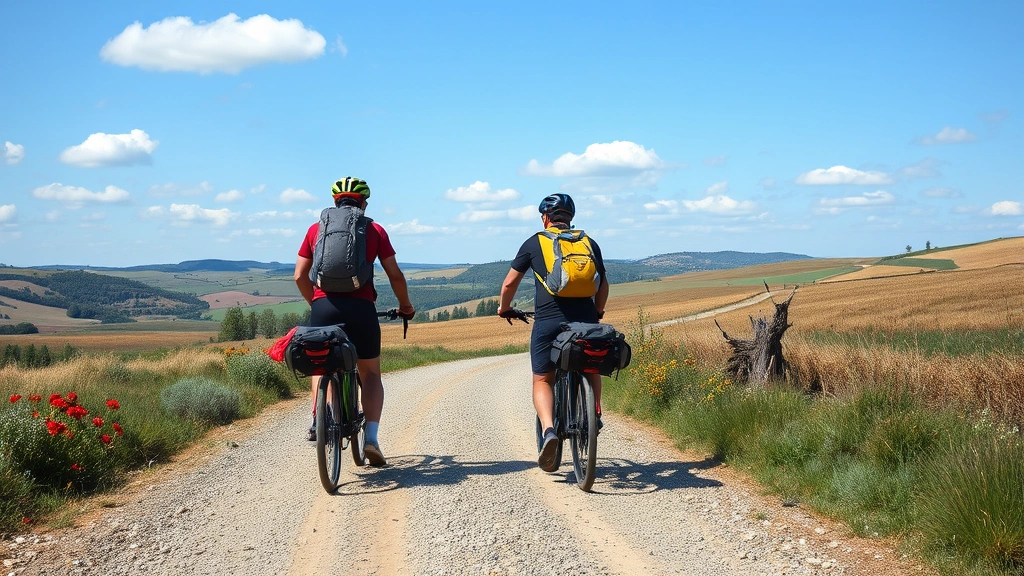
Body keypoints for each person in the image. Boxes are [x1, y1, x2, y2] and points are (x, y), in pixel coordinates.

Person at [294, 177, 414, 466]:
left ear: (335, 203)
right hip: (361, 310)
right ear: (363, 203)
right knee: (370, 374)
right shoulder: (374, 230)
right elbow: (395, 275)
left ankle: (318, 420)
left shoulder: (315, 230)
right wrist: (405, 306)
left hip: (323, 308)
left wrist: (317, 303)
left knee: (321, 366)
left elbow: (299, 276)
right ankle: (371, 439)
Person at [497, 193, 609, 472]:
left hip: (548, 321)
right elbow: (603, 284)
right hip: (586, 321)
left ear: (545, 217)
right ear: (570, 218)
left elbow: (510, 282)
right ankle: (594, 414)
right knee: (591, 368)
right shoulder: (588, 243)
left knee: (543, 380)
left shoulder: (535, 242)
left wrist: (504, 308)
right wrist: (597, 313)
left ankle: (549, 431)